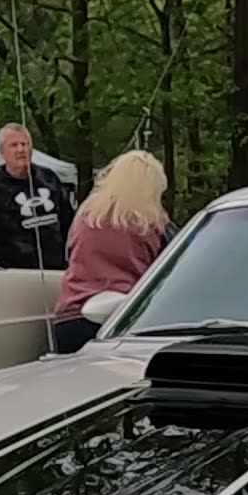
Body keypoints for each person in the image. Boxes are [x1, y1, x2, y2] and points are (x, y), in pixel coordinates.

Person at [49, 150, 172, 355]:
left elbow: (70, 254)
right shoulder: (150, 224)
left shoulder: (86, 215)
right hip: (121, 321)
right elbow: (168, 275)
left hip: (69, 319)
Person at [0, 123, 74, 270]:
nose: (21, 150)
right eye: (14, 145)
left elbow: (69, 224)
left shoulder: (49, 179)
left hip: (55, 270)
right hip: (18, 274)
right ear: (2, 152)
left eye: (24, 144)